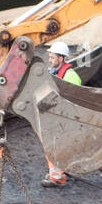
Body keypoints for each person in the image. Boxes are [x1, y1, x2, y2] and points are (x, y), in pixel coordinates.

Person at [41, 41, 82, 188]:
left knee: (54, 146)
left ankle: (58, 178)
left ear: (61, 58)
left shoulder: (71, 77)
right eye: (50, 57)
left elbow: (74, 100)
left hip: (67, 118)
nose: (50, 60)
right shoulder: (54, 72)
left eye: (52, 57)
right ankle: (61, 171)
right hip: (58, 116)